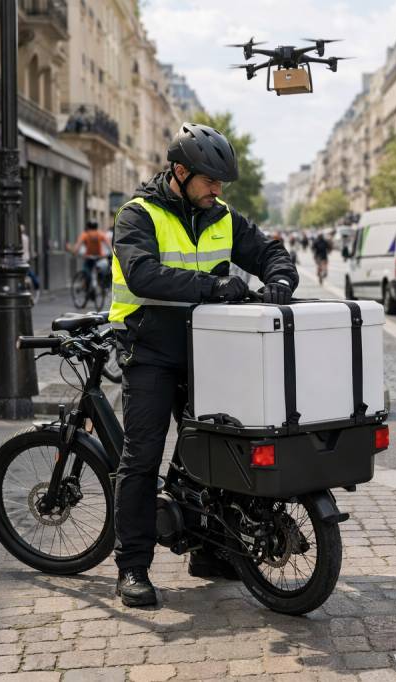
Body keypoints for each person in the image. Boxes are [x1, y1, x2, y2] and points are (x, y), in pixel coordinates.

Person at [108, 122, 298, 607]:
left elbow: (271, 252)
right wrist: (213, 287)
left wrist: (279, 280)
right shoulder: (137, 215)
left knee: (215, 451)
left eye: (221, 183)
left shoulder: (223, 215)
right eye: (210, 181)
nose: (217, 190)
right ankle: (132, 567)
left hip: (206, 353)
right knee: (142, 458)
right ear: (180, 171)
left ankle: (210, 551)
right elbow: (143, 274)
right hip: (149, 353)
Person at [68, 221, 112, 292]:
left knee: (87, 272)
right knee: (102, 270)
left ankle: (87, 286)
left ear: (88, 227)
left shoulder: (85, 234)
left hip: (88, 258)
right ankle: (101, 286)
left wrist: (74, 252)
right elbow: (109, 245)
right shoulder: (100, 234)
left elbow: (77, 247)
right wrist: (111, 253)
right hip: (99, 258)